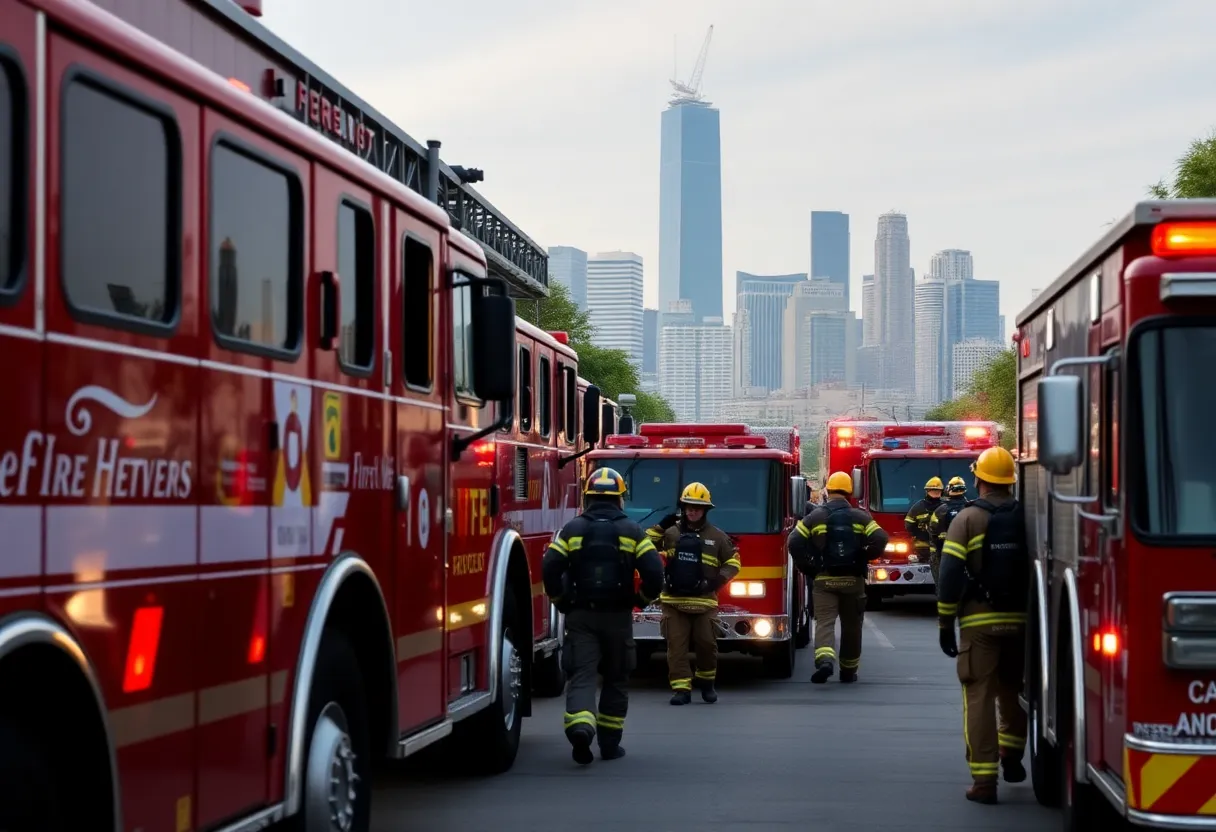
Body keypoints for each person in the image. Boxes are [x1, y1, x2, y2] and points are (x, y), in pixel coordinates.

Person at [543, 467, 664, 765]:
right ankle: (610, 745)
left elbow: (550, 568)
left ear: (588, 497)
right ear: (620, 499)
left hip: (581, 615)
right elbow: (655, 573)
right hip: (618, 617)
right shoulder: (634, 531)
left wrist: (561, 601)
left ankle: (581, 729)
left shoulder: (572, 529)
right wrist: (640, 601)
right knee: (616, 679)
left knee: (582, 676)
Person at [936, 446, 1029, 804]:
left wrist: (946, 622)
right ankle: (1013, 754)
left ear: (979, 479)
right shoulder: (1027, 515)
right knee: (1013, 691)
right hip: (1021, 621)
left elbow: (949, 573)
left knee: (978, 696)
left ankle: (985, 780)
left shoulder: (968, 519)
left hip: (979, 623)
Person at [788, 471, 889, 684]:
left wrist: (808, 567)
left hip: (824, 580)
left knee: (824, 622)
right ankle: (848, 671)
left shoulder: (815, 516)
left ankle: (825, 660)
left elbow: (794, 541)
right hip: (853, 581)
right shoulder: (861, 516)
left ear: (828, 490)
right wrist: (864, 555)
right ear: (850, 492)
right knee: (852, 626)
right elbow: (880, 538)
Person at [648, 482, 740, 705]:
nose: (692, 511)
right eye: (688, 507)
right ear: (683, 508)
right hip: (673, 601)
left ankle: (706, 683)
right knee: (676, 647)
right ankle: (682, 689)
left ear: (706, 510)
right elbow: (644, 545)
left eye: (697, 508)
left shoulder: (718, 537)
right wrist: (659, 527)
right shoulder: (670, 534)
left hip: (704, 602)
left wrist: (716, 582)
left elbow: (734, 562)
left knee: (707, 643)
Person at [928, 476, 968, 584]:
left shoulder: (941, 510)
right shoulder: (971, 508)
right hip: (967, 554)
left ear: (949, 489)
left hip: (945, 553)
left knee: (944, 584)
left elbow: (932, 532)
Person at [904, 477, 944, 564]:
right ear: (927, 491)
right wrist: (920, 534)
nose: (936, 493)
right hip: (922, 548)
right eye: (933, 490)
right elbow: (908, 525)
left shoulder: (945, 506)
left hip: (941, 548)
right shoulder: (918, 507)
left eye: (938, 490)